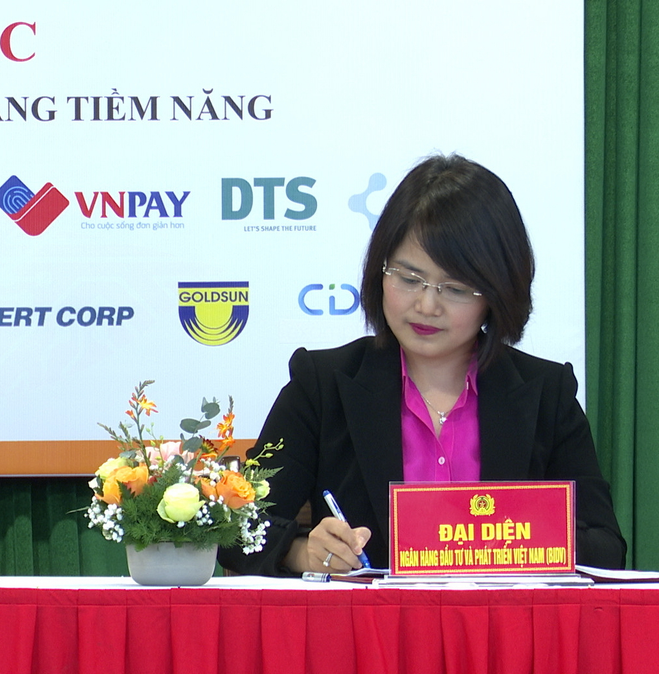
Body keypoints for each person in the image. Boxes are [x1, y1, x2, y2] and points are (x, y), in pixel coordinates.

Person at [219, 154, 626, 575]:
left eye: (456, 288)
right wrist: (302, 552)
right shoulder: (322, 386)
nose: (427, 305)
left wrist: (530, 536)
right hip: (368, 617)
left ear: (497, 292)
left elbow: (607, 548)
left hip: (501, 617)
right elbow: (236, 530)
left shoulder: (546, 393)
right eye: (409, 279)